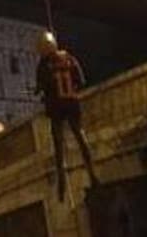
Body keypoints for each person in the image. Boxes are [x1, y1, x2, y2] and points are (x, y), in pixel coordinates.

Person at [34, 31, 98, 201]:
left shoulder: (43, 64)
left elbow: (40, 87)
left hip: (56, 107)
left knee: (58, 143)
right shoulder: (69, 58)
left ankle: (62, 180)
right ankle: (92, 171)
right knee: (80, 136)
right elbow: (81, 81)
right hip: (72, 103)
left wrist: (41, 92)